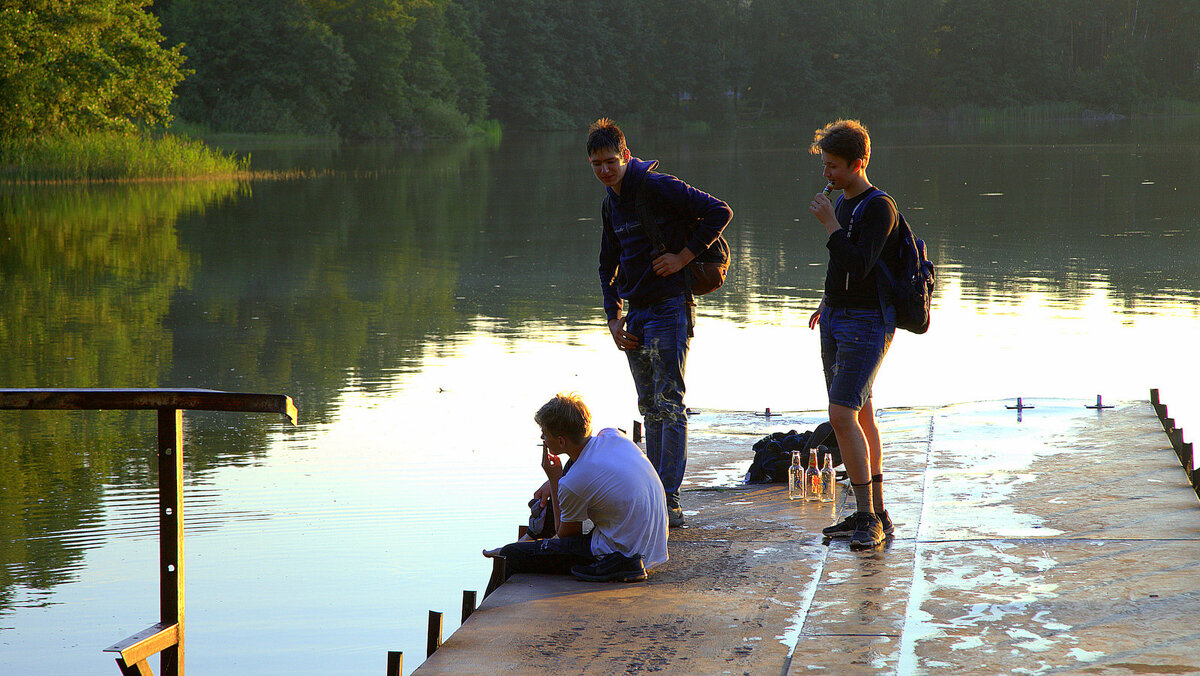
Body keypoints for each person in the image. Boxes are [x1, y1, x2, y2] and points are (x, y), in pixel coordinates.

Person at [589, 118, 733, 528]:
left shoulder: (655, 185)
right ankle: (652, 491)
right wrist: (613, 317)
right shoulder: (609, 201)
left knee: (670, 403)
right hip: (635, 313)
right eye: (596, 163)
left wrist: (683, 257)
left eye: (610, 162)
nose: (604, 170)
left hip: (670, 307)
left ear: (626, 156)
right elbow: (606, 263)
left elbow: (719, 211)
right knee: (649, 405)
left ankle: (668, 498)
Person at [806, 119, 898, 551]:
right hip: (837, 317)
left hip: (868, 322)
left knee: (841, 413)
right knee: (861, 414)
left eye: (834, 167)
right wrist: (825, 302)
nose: (827, 174)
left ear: (859, 163)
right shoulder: (842, 203)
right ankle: (876, 513)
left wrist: (830, 225)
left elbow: (859, 264)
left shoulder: (880, 207)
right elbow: (839, 269)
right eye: (825, 166)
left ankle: (867, 519)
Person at [482, 393, 669, 582]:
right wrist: (556, 483)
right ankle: (529, 539)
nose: (542, 437)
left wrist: (555, 480)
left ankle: (488, 608)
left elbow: (566, 534)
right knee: (570, 470)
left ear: (561, 441)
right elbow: (586, 465)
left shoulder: (572, 482)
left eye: (544, 433)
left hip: (622, 554)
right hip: (653, 545)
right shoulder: (612, 435)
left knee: (511, 555)